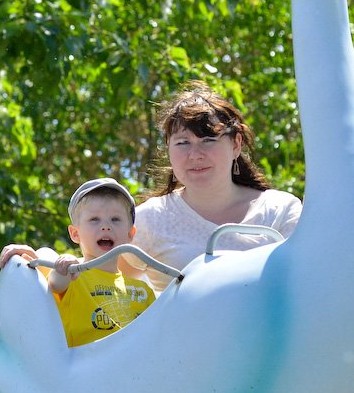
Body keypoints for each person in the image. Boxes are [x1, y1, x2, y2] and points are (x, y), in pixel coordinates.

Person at [120, 81, 302, 292]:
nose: (195, 154)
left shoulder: (280, 210)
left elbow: (306, 284)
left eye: (208, 140)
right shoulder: (149, 219)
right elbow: (107, 285)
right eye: (182, 143)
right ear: (168, 149)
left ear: (236, 144)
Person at [0, 178, 155, 347]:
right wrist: (62, 268)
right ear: (75, 233)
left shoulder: (143, 292)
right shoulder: (73, 275)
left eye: (115, 219)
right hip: (85, 370)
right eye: (94, 219)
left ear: (130, 233)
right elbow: (56, 284)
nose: (105, 226)